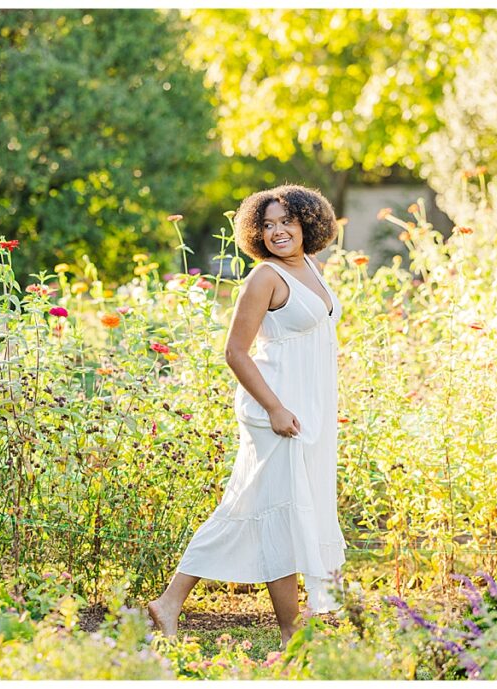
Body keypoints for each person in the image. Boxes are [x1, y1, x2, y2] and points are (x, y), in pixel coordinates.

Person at [148, 184, 347, 650]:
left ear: (307, 222)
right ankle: (291, 633)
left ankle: (169, 602)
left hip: (305, 409)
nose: (277, 231)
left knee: (255, 508)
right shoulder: (265, 276)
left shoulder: (310, 267)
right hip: (276, 410)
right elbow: (235, 352)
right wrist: (275, 408)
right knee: (280, 514)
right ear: (255, 233)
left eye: (286, 222)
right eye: (268, 224)